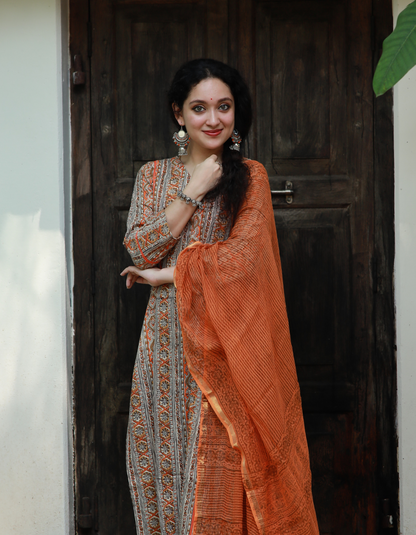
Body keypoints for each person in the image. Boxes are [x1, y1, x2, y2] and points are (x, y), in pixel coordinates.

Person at [121, 58, 318, 535]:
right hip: (163, 349)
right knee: (158, 475)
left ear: (236, 113)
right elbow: (138, 246)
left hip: (225, 349)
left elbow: (245, 261)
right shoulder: (152, 176)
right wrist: (193, 189)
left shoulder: (251, 176)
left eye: (224, 107)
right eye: (200, 107)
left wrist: (168, 275)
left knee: (218, 482)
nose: (213, 119)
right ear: (179, 115)